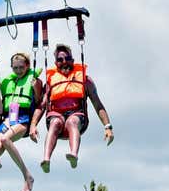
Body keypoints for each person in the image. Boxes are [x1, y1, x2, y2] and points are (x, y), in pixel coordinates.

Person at [29, 44, 114, 173]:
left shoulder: (85, 80)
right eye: (60, 60)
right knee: (55, 122)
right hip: (56, 115)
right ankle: (46, 159)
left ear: (73, 60)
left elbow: (97, 104)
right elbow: (41, 105)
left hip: (76, 114)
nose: (64, 62)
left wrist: (107, 127)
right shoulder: (51, 81)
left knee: (71, 122)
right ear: (56, 63)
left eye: (67, 58)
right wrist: (33, 125)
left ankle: (73, 154)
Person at [0, 52, 42, 191]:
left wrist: (36, 87)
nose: (18, 71)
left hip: (23, 119)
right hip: (7, 119)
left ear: (27, 66)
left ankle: (26, 175)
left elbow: (38, 101)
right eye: (15, 68)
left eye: (21, 67)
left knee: (5, 139)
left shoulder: (34, 80)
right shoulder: (6, 82)